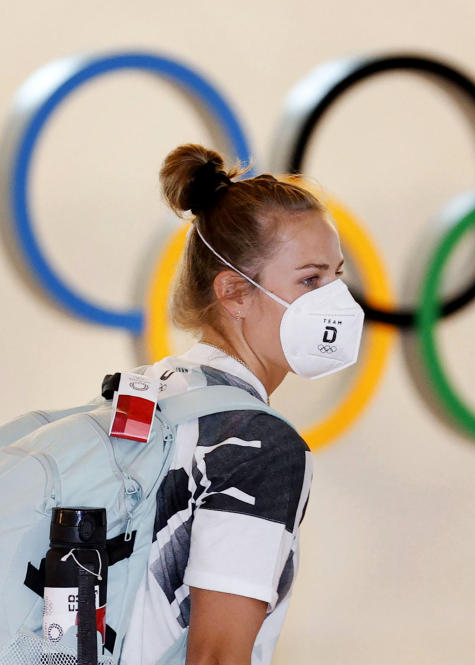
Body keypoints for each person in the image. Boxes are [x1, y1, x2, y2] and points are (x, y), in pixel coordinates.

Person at [120, 143, 365, 665]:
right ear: (234, 291)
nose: (334, 303)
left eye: (336, 277)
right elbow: (215, 656)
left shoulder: (150, 394)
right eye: (309, 279)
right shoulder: (258, 444)